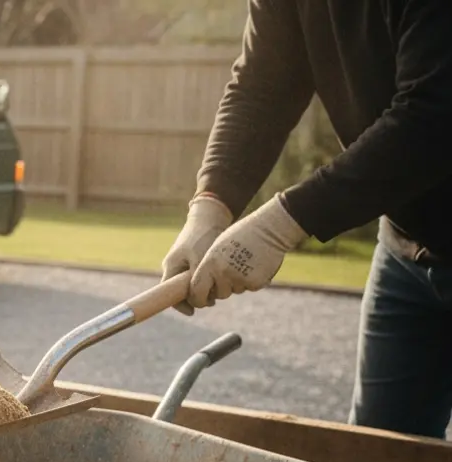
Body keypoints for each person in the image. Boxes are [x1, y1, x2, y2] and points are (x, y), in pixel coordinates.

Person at [159, 1, 452, 439]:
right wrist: (210, 204)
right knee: (381, 461)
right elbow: (262, 86)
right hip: (404, 250)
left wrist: (283, 222)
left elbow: (433, 116)